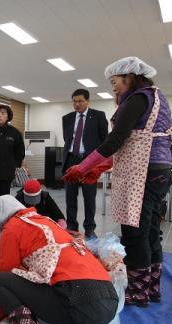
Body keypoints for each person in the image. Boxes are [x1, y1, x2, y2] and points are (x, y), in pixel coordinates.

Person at [64, 56, 172, 307]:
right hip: (159, 171)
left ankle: (138, 291)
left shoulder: (137, 99)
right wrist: (99, 167)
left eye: (115, 82)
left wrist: (83, 167)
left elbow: (115, 141)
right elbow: (133, 141)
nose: (113, 87)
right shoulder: (156, 97)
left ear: (129, 77)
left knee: (135, 232)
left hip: (143, 172)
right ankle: (152, 287)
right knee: (150, 230)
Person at [0, 195, 118, 324]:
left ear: (0, 219)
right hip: (108, 301)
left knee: (0, 282)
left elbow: (7, 269)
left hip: (79, 305)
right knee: (51, 281)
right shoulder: (45, 221)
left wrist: (1, 306)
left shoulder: (12, 228)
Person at [62, 89, 108, 239]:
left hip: (90, 161)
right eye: (74, 101)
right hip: (71, 159)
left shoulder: (99, 116)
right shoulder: (67, 118)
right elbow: (67, 139)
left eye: (80, 101)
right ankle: (71, 227)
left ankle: (89, 228)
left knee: (89, 196)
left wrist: (98, 164)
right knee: (70, 196)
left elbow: (104, 140)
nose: (77, 104)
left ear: (88, 101)